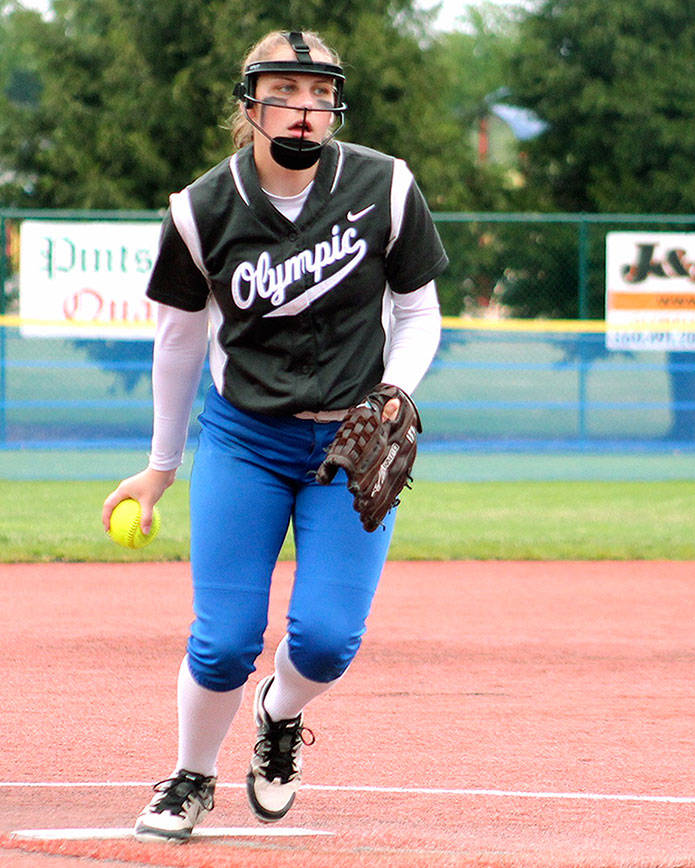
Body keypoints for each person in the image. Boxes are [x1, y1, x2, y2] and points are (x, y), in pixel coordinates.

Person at [101, 29, 447, 843]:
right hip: (245, 440)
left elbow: (419, 311)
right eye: (287, 91)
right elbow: (180, 341)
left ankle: (279, 714)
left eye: (322, 94)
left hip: (351, 445)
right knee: (223, 643)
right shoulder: (202, 210)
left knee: (326, 642)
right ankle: (191, 776)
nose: (305, 110)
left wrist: (396, 390)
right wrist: (160, 466)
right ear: (250, 104)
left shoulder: (384, 186)